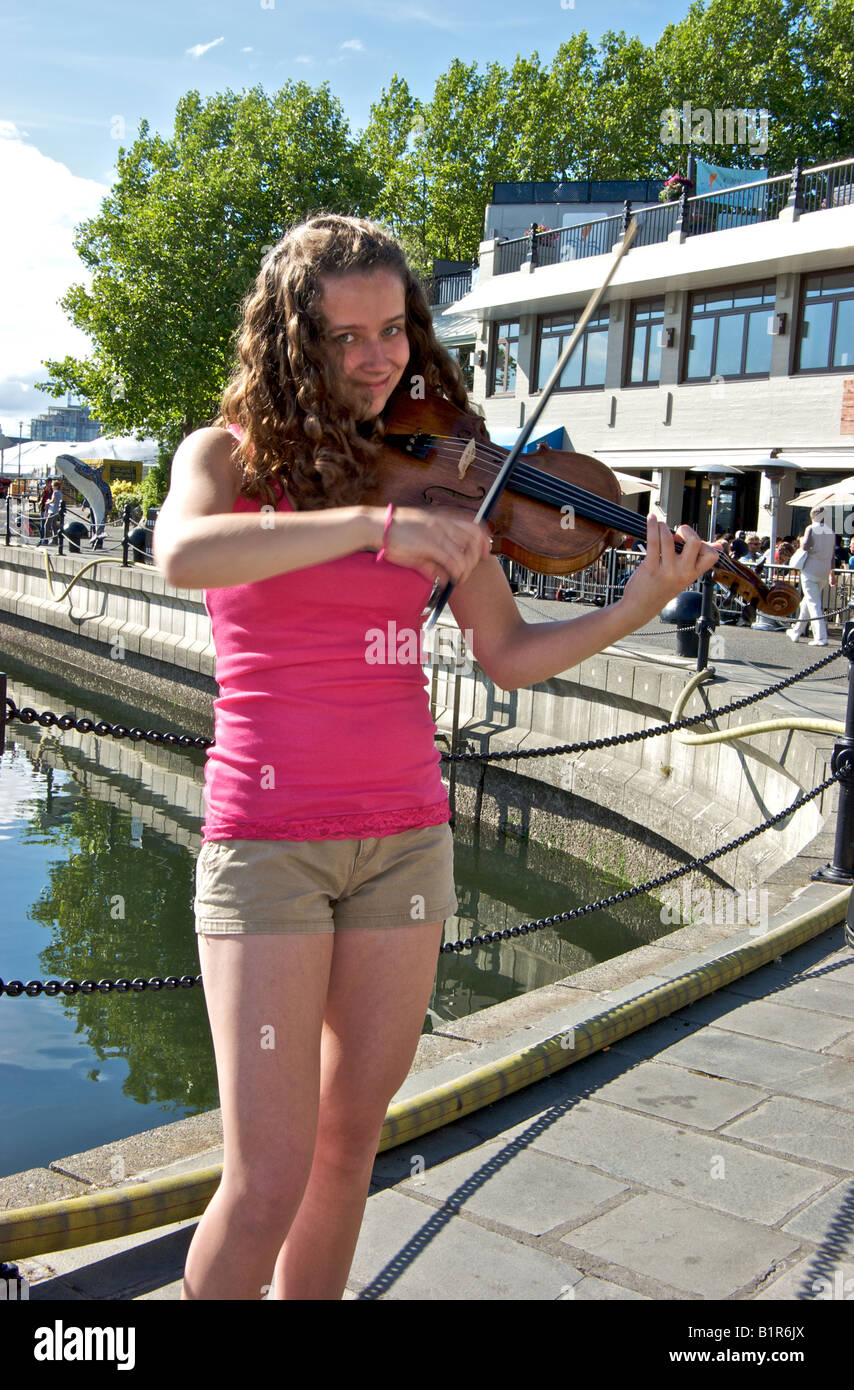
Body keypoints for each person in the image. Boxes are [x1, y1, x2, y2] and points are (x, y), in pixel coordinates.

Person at [152, 213, 718, 1302]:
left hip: (406, 843)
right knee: (266, 1175)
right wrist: (370, 526)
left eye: (395, 329)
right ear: (289, 339)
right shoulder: (225, 457)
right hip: (266, 844)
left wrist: (642, 601)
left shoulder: (442, 477)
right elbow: (181, 553)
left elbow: (507, 651)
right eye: (344, 335)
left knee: (347, 1147)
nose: (377, 357)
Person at [787, 506, 837, 645]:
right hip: (824, 570)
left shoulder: (811, 528)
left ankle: (820, 637)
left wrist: (803, 542)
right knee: (808, 602)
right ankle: (796, 631)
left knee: (813, 604)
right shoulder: (831, 532)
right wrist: (832, 573)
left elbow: (805, 547)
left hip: (810, 569)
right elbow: (832, 555)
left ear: (812, 516)